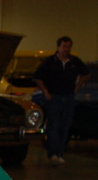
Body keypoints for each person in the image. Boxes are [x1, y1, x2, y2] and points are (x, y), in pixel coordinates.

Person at [34, 36, 90, 165]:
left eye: (69, 47)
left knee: (65, 125)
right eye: (64, 46)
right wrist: (46, 92)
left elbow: (86, 74)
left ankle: (60, 153)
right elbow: (38, 78)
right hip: (54, 97)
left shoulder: (75, 62)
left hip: (69, 97)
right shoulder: (50, 61)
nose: (66, 49)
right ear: (58, 47)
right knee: (54, 125)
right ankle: (53, 154)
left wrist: (78, 86)